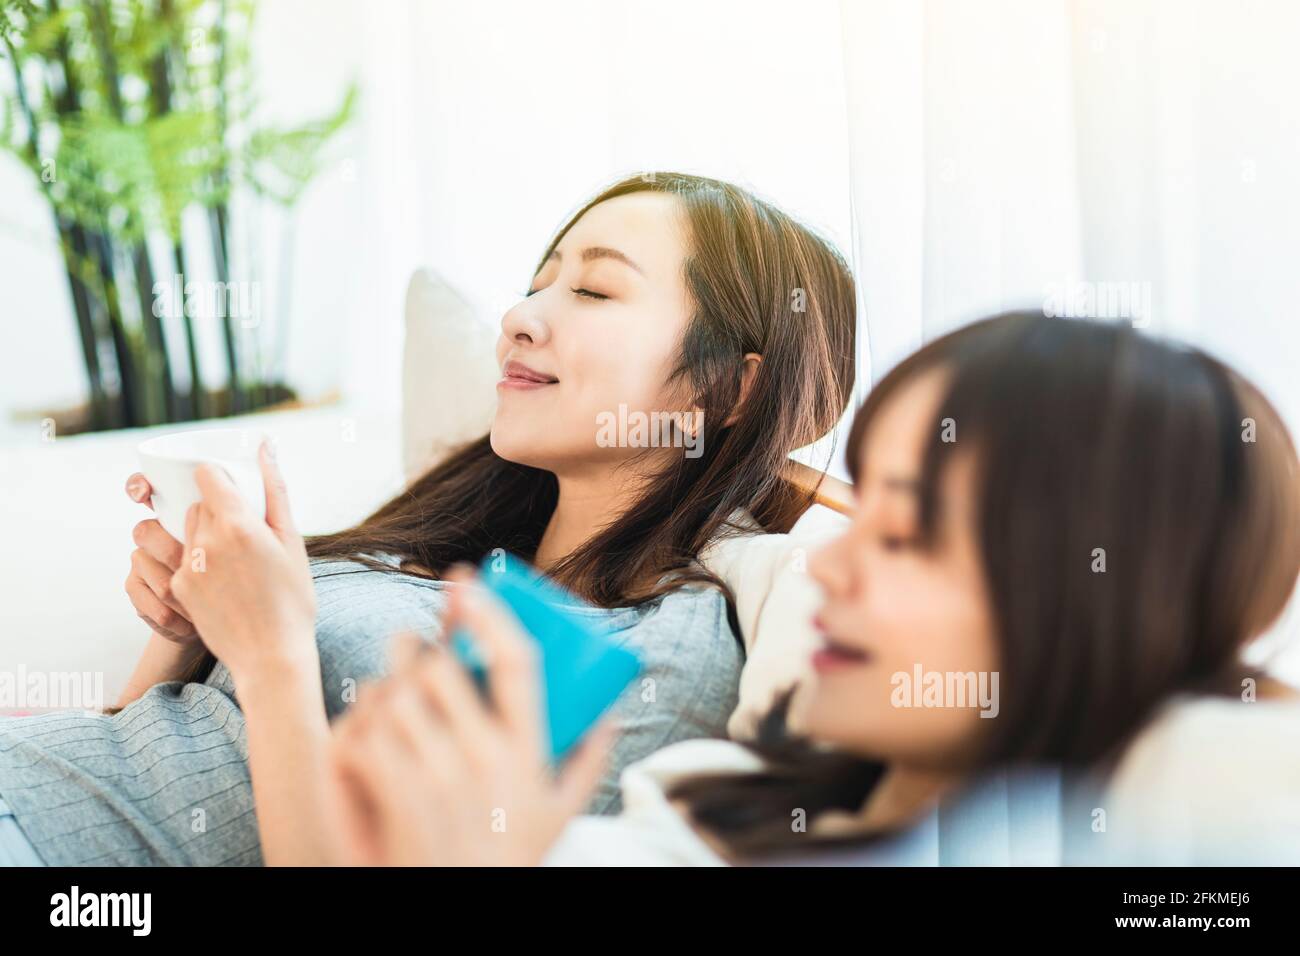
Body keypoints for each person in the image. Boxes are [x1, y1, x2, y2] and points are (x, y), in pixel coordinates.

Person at [0, 172, 856, 866]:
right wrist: (193, 628)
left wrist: (271, 652)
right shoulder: (462, 547)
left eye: (594, 290)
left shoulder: (650, 655)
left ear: (731, 388)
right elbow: (127, 766)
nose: (521, 317)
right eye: (538, 282)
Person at [317, 312, 1300, 866]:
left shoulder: (1186, 785)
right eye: (860, 512)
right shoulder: (714, 800)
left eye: (908, 533)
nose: (825, 560)